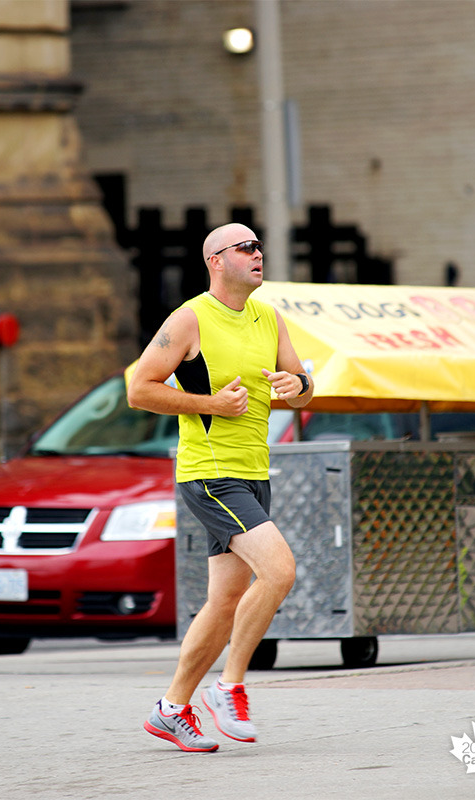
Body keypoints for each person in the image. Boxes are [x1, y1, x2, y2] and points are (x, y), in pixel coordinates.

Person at [127, 222, 314, 752]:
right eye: (246, 248)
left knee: (225, 600)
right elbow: (140, 390)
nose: (259, 254)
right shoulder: (189, 319)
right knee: (279, 570)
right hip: (210, 474)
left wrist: (295, 385)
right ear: (216, 260)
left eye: (260, 246)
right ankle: (228, 687)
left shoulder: (269, 317)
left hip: (254, 473)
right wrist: (211, 405)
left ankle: (170, 708)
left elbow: (303, 390)